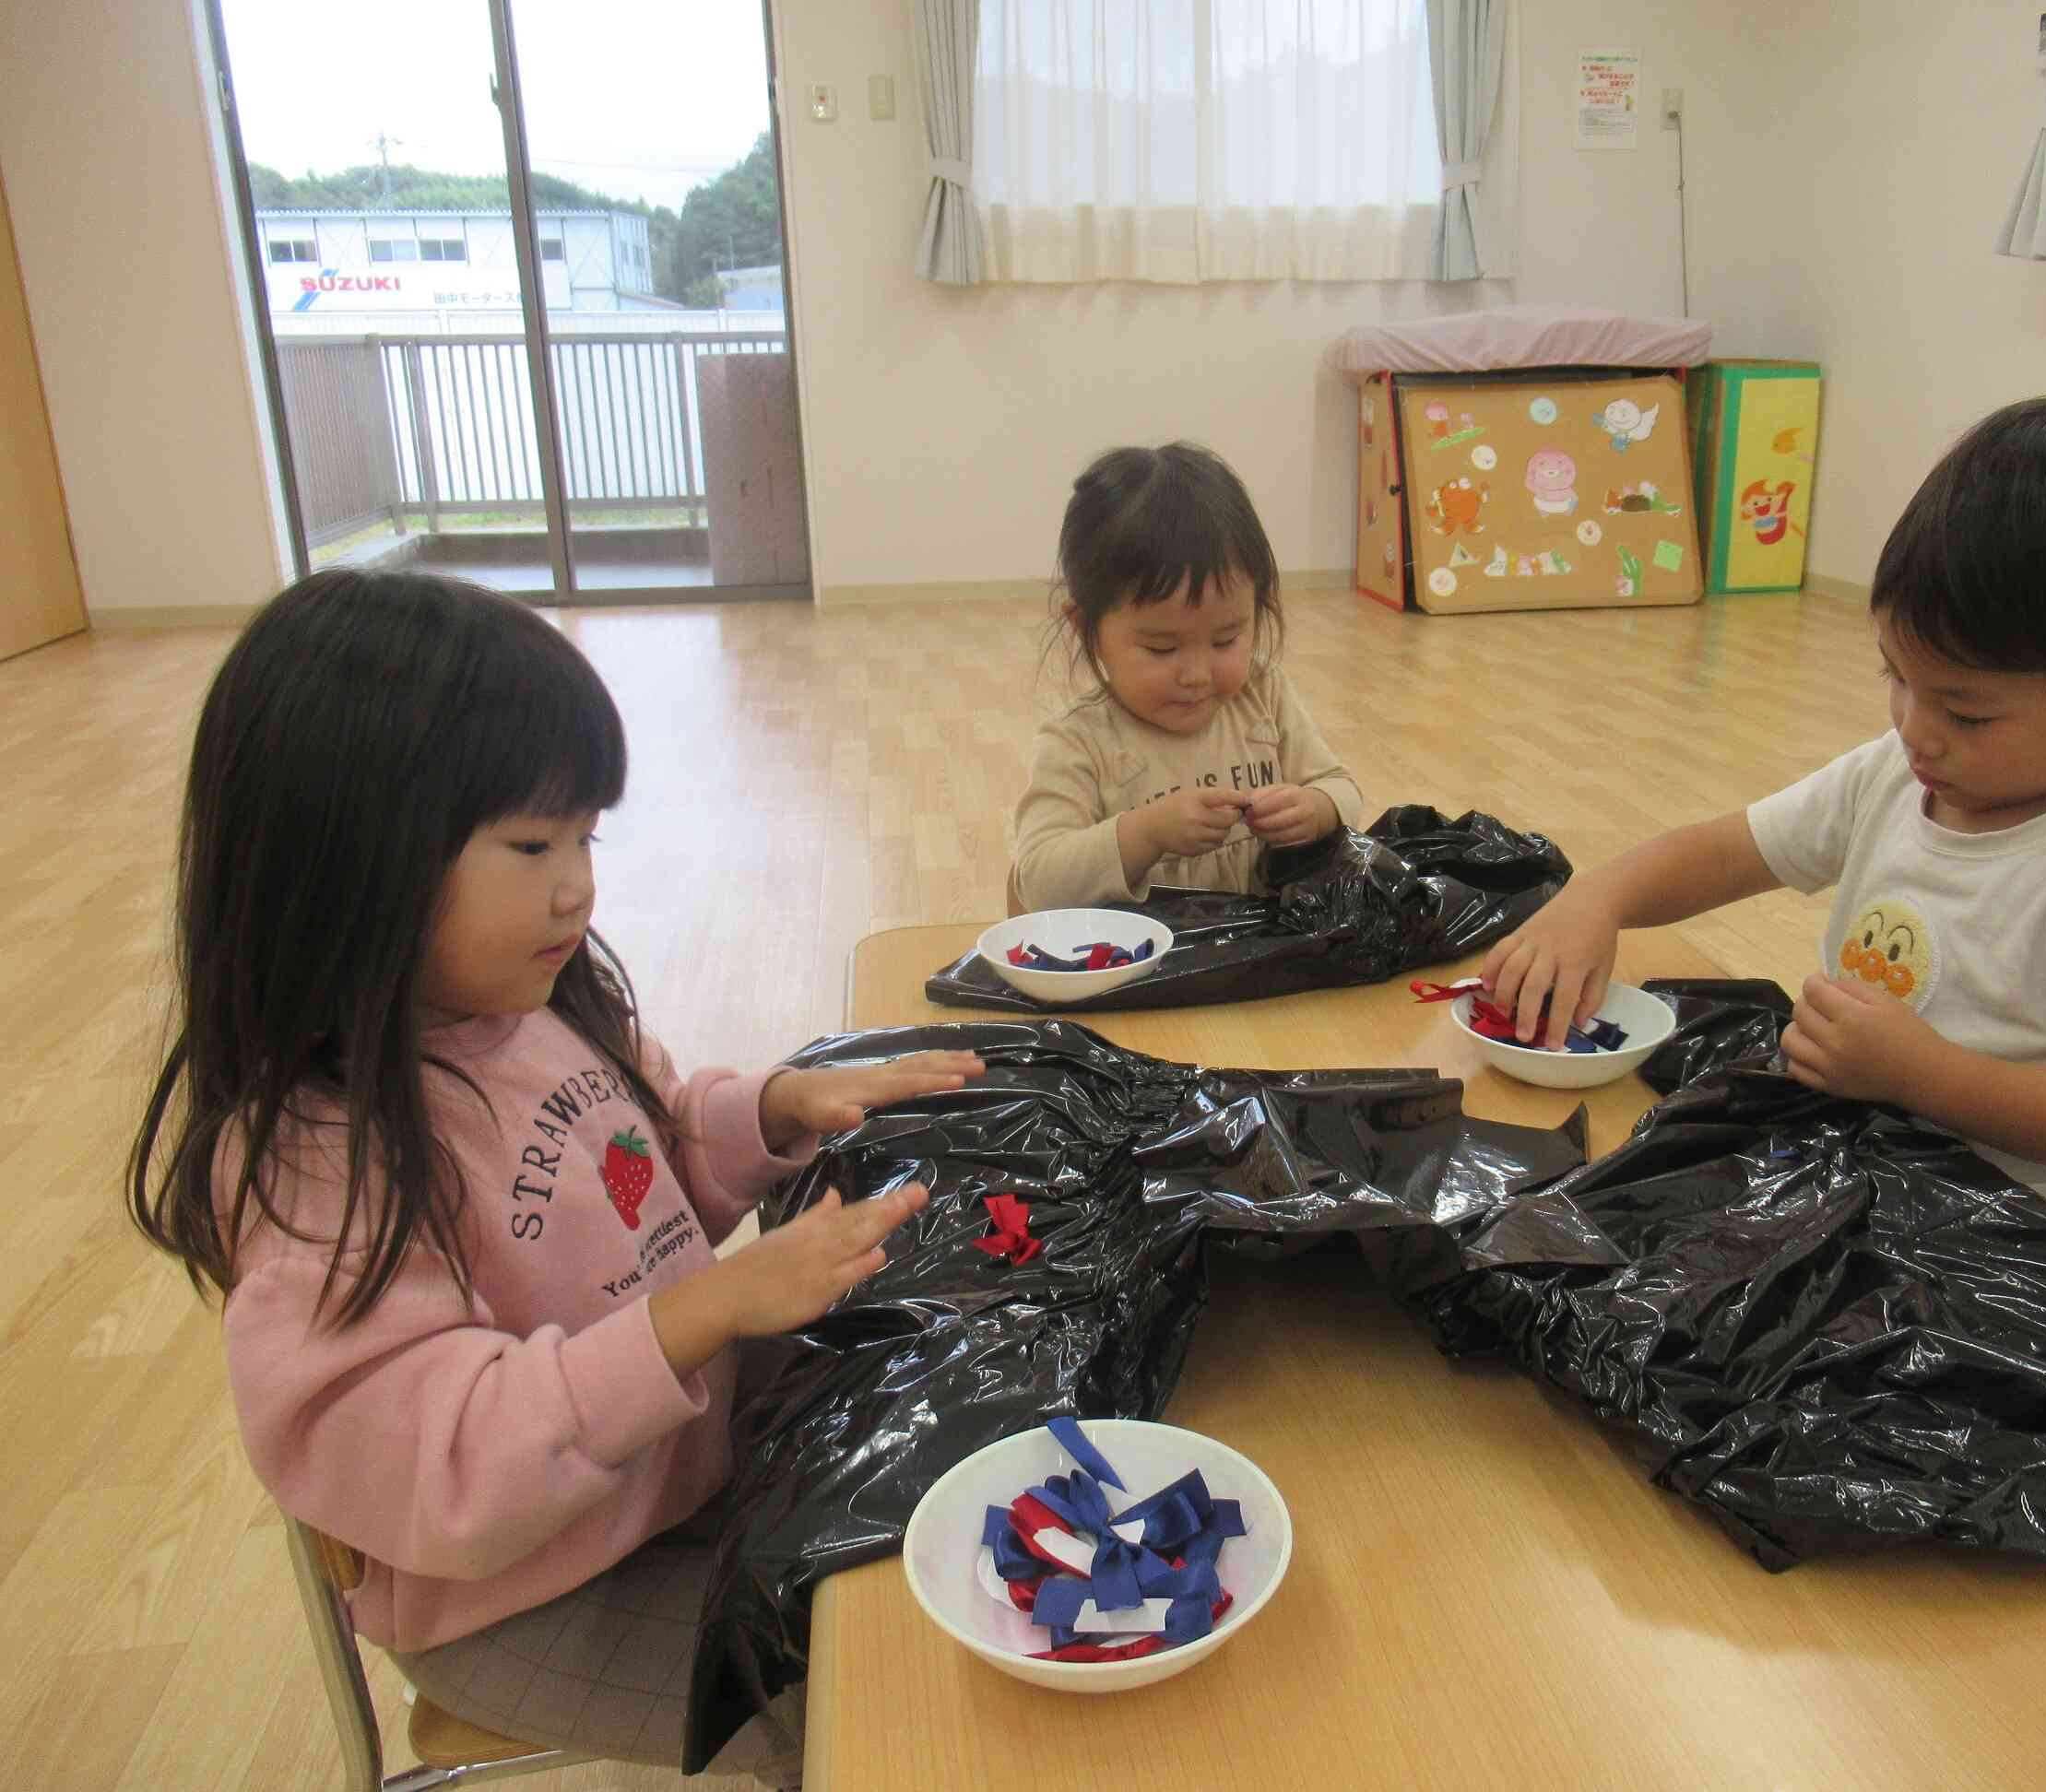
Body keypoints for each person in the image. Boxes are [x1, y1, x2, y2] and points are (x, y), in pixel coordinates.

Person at [127, 569, 981, 1783]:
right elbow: (443, 1464)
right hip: (525, 1598)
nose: (577, 883)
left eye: (586, 836)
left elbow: (655, 1152)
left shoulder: (537, 1000)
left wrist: (772, 1111)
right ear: (349, 855)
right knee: (861, 1704)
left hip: (676, 1476)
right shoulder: (320, 1157)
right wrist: (702, 1314)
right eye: (532, 843)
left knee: (938, 1368)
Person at [1485, 397, 2046, 1252]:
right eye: (1895, 677)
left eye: (1965, 713)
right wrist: (1600, 898)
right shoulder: (1896, 773)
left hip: (2006, 1258)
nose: (1913, 728)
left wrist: (1918, 1074)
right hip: (1860, 1185)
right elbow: (1725, 851)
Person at [1010, 442, 1364, 912]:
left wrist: (1318, 808)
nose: (1197, 675)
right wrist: (1147, 831)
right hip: (1147, 971)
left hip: (1265, 957)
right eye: (1162, 648)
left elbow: (1342, 788)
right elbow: (1037, 882)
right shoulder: (1080, 741)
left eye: (1225, 641)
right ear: (1087, 630)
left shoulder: (1262, 695)